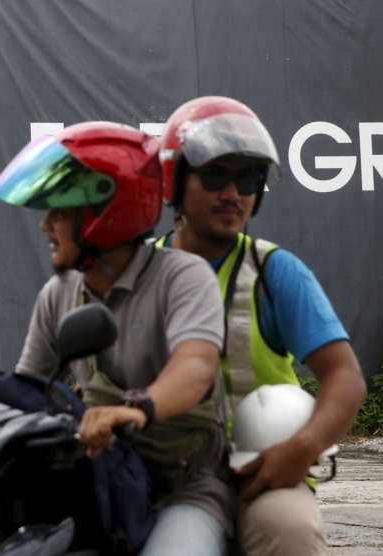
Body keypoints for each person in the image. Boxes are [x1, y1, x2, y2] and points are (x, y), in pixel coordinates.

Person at [0, 121, 232, 555]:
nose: (45, 225)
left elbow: (195, 367)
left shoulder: (182, 277)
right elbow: (29, 391)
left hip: (181, 485)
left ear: (105, 214)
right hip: (98, 482)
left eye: (59, 212)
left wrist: (137, 409)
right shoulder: (60, 293)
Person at [157, 95, 367, 555]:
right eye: (215, 175)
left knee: (288, 529)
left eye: (248, 178)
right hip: (164, 471)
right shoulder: (140, 273)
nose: (233, 193)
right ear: (173, 181)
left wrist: (301, 449)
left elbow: (345, 377)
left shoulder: (274, 271)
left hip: (264, 468)